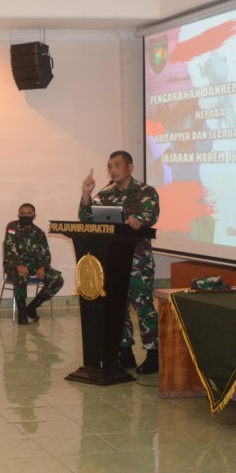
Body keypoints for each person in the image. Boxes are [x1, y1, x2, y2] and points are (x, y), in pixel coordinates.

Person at [80, 151, 161, 374]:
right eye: (109, 166)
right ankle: (125, 352)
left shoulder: (145, 191)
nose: (113, 170)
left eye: (117, 165)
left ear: (130, 167)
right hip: (112, 261)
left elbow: (151, 215)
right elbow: (85, 218)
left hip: (138, 261)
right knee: (119, 308)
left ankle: (154, 354)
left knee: (143, 306)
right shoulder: (106, 194)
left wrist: (139, 222)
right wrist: (86, 194)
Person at [2, 203, 64, 324]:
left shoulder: (39, 232)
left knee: (57, 279)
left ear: (34, 215)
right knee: (21, 276)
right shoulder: (12, 227)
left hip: (35, 266)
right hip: (15, 265)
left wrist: (43, 267)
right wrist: (18, 265)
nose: (25, 216)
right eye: (22, 213)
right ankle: (22, 312)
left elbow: (45, 253)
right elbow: (9, 248)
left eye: (28, 213)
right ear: (18, 215)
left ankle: (31, 308)